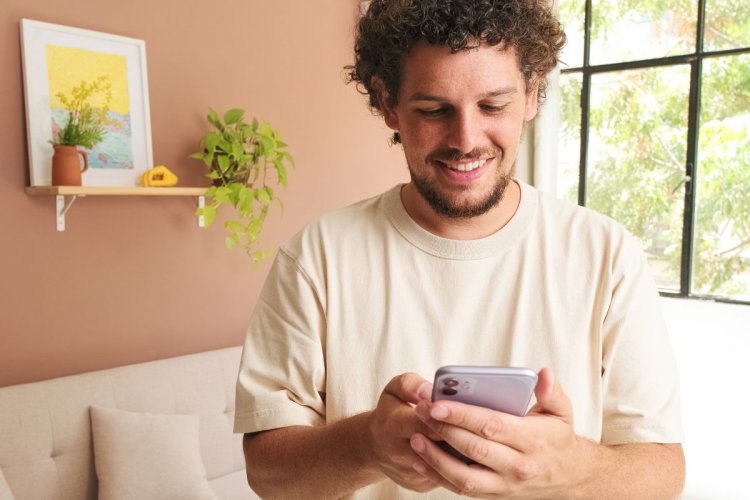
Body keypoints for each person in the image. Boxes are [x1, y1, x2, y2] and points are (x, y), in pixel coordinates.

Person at [233, 0, 685, 498]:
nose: (466, 140)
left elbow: (664, 473)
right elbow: (267, 473)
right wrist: (368, 445)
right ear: (388, 104)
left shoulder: (607, 255)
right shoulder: (317, 258)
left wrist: (572, 466)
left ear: (533, 94)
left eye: (493, 105)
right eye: (434, 110)